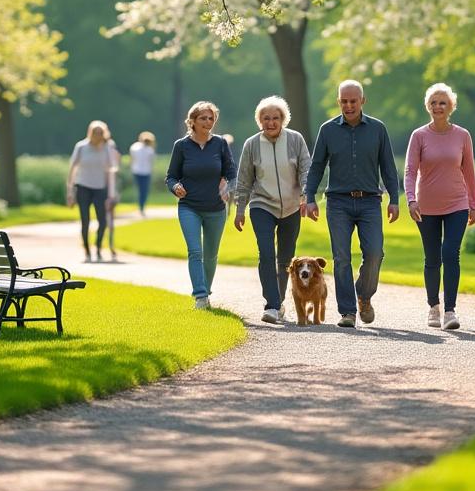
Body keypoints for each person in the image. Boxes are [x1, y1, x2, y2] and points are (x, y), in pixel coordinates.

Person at [304, 80, 399, 328]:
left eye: (353, 101)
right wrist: (310, 197)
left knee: (375, 253)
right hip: (338, 203)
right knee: (342, 257)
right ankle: (347, 311)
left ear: (362, 101)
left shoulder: (378, 129)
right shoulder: (327, 130)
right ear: (339, 102)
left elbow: (388, 166)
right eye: (344, 101)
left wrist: (395, 200)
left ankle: (364, 296)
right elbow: (316, 167)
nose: (348, 105)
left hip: (369, 202)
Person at [405, 83, 475, 330]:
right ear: (428, 106)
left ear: (451, 107)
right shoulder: (419, 136)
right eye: (434, 102)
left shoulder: (462, 135)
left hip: (457, 203)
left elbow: (469, 171)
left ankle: (450, 311)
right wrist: (411, 199)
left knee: (451, 254)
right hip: (425, 206)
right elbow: (409, 171)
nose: (438, 107)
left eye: (443, 102)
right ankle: (433, 307)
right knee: (432, 258)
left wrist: (474, 203)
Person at [233, 96, 311, 324]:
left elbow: (306, 170)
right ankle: (272, 305)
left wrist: (306, 196)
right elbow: (244, 178)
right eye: (266, 118)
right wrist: (240, 208)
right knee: (266, 252)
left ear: (283, 119)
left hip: (291, 206)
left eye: (275, 118)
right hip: (261, 204)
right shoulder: (252, 144)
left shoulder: (295, 140)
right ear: (259, 120)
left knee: (286, 258)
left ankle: (279, 300)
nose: (271, 122)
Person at [166, 102, 237, 309]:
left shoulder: (220, 144)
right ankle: (200, 295)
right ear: (193, 121)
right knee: (195, 252)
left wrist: (228, 188)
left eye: (211, 118)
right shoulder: (181, 146)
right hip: (189, 206)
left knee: (211, 254)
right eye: (203, 118)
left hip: (216, 208)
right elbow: (170, 177)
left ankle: (205, 291)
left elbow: (231, 171)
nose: (208, 122)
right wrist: (175, 186)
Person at [66, 120, 119, 262]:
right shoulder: (81, 147)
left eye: (100, 133)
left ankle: (98, 247)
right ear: (90, 133)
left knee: (103, 222)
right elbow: (73, 168)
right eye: (95, 133)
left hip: (100, 188)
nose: (98, 135)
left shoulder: (107, 148)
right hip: (83, 187)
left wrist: (112, 193)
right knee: (85, 221)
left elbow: (111, 171)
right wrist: (70, 192)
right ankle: (87, 251)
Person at [129, 131, 157, 216]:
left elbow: (132, 159)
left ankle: (140, 206)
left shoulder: (134, 147)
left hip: (136, 171)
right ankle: (141, 206)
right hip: (146, 172)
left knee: (140, 190)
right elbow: (152, 162)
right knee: (144, 190)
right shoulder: (150, 150)